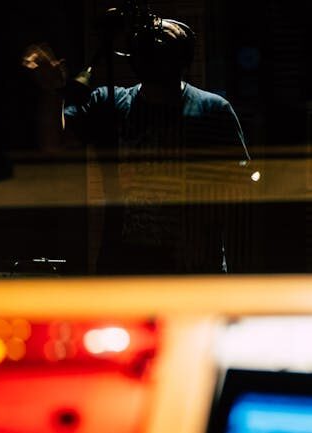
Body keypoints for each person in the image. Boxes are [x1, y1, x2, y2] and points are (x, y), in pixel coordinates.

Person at [22, 17, 251, 274]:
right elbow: (54, 144)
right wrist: (51, 90)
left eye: (166, 39)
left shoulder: (212, 109)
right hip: (126, 265)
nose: (158, 43)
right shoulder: (110, 103)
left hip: (193, 266)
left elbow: (240, 183)